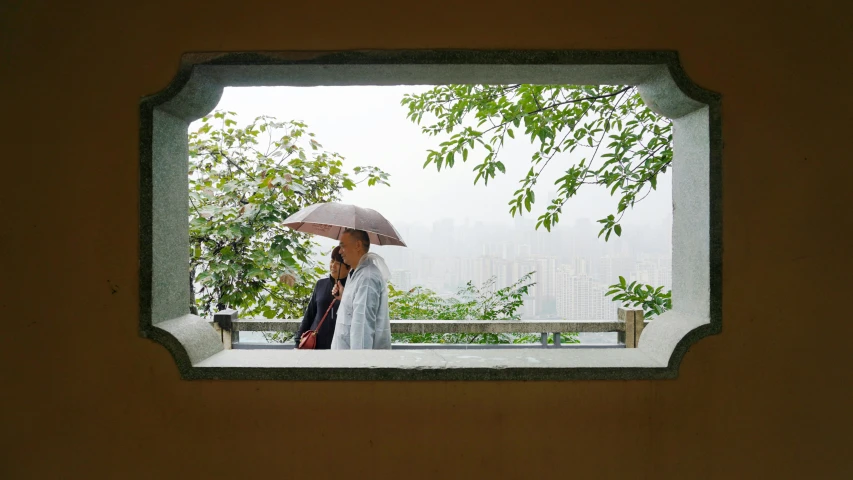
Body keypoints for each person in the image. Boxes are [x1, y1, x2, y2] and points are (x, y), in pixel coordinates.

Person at [331, 228, 392, 350]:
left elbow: (362, 329)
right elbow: (354, 311)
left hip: (356, 362)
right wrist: (344, 297)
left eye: (343, 246)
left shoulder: (367, 278)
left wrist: (359, 365)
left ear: (357, 245)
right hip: (344, 359)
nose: (340, 251)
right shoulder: (355, 273)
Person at [294, 246, 350, 349]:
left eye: (338, 263)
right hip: (316, 343)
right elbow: (309, 315)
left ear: (348, 267)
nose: (333, 266)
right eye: (332, 261)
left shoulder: (352, 289)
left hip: (340, 346)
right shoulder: (321, 284)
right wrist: (298, 342)